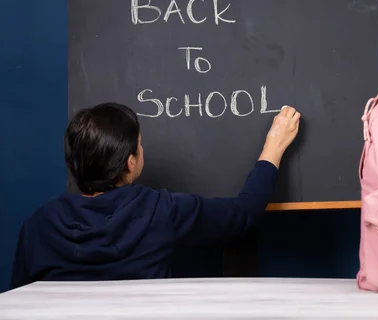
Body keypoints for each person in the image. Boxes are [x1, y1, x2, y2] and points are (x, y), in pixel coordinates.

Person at [10, 103, 300, 289]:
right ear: (130, 162)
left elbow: (18, 303)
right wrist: (274, 145)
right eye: (139, 145)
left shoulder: (38, 225)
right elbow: (243, 215)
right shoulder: (158, 210)